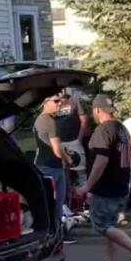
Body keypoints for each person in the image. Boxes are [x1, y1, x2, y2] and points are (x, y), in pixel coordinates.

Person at [74, 95, 131, 261]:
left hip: (107, 187)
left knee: (101, 224)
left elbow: (101, 161)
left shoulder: (104, 130)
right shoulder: (121, 128)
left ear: (97, 110)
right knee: (110, 225)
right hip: (121, 184)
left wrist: (87, 187)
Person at [34, 93, 76, 244]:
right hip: (52, 167)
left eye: (61, 101)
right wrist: (68, 158)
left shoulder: (39, 120)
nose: (59, 104)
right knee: (57, 203)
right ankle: (57, 234)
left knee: (52, 203)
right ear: (45, 102)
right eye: (56, 101)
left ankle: (53, 233)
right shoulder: (50, 121)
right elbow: (57, 149)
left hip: (45, 165)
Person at [55, 87, 88, 207]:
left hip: (74, 141)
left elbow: (83, 120)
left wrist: (79, 138)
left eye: (62, 89)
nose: (61, 92)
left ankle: (85, 201)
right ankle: (67, 202)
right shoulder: (53, 103)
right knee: (64, 172)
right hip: (59, 142)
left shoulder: (74, 101)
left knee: (80, 170)